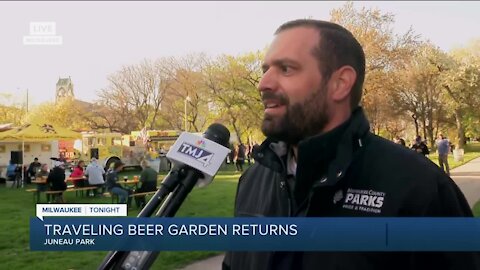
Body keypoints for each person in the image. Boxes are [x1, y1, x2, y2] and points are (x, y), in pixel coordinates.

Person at [222, 19, 480, 270]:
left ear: (340, 83)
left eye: (286, 69)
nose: (263, 84)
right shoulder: (253, 180)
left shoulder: (420, 189)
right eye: (265, 70)